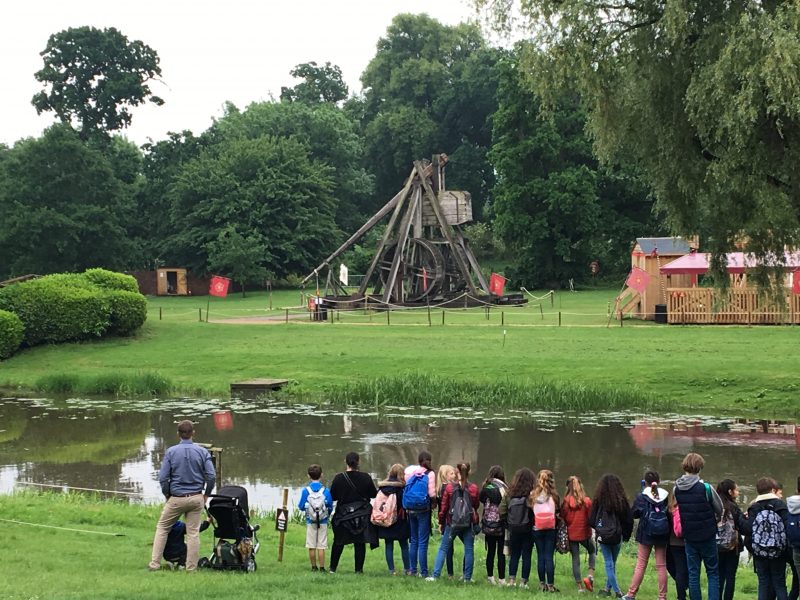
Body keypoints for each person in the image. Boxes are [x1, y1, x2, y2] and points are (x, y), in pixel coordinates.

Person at [148, 419, 216, 572]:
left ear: (178, 434)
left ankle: (155, 564)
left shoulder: (171, 452)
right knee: (193, 533)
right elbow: (211, 476)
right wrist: (207, 495)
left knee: (163, 528)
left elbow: (163, 478)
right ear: (193, 433)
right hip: (196, 497)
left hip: (176, 498)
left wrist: (167, 494)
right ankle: (191, 568)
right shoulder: (203, 452)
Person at [673, 452, 723, 600]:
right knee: (712, 572)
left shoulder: (677, 488)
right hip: (707, 535)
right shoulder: (706, 488)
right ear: (700, 468)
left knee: (693, 573)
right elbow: (719, 508)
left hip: (689, 535)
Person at [427, 461, 480, 582]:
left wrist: (441, 522)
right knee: (469, 549)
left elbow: (444, 507)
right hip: (468, 522)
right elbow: (476, 505)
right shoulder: (474, 488)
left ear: (457, 472)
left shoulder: (450, 488)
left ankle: (435, 575)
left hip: (452, 522)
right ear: (469, 472)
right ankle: (467, 578)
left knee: (443, 548)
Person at [621, 471, 670, 600]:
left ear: (645, 482)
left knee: (641, 564)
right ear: (658, 482)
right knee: (661, 565)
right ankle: (662, 597)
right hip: (662, 533)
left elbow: (635, 514)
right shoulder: (664, 495)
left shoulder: (642, 496)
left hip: (646, 533)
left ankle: (631, 594)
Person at [329, 452, 378, 574]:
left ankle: (332, 569)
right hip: (362, 514)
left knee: (338, 542)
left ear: (345, 462)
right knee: (360, 542)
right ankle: (358, 570)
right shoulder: (366, 477)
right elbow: (373, 494)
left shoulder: (339, 478)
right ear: (358, 462)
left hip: (343, 515)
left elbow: (333, 497)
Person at [589, 473, 634, 598]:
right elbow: (629, 520)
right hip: (617, 536)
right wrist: (625, 535)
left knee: (609, 563)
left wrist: (599, 529)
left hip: (603, 537)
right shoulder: (622, 501)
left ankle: (614, 590)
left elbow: (591, 520)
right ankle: (612, 590)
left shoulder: (598, 501)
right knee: (612, 563)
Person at [746, 476, 790, 600]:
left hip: (760, 551)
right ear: (772, 489)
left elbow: (749, 529)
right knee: (780, 583)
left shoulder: (754, 507)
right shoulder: (780, 505)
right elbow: (787, 527)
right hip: (778, 551)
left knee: (763, 582)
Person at [500, 467, 536, 588]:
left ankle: (511, 580)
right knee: (527, 555)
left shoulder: (509, 493)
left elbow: (501, 511)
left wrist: (508, 523)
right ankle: (523, 582)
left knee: (514, 554)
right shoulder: (532, 495)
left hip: (513, 528)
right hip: (528, 528)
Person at [404, 451, 436, 577]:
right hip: (423, 510)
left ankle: (412, 569)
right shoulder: (430, 473)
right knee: (423, 541)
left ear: (418, 461)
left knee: (413, 540)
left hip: (410, 509)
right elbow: (432, 493)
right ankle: (423, 572)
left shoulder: (412, 472)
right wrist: (434, 503)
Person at [562, 475, 596, 593]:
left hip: (572, 534)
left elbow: (563, 518)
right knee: (592, 550)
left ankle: (580, 587)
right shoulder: (587, 501)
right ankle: (590, 575)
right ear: (580, 486)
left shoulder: (566, 502)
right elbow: (591, 518)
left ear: (568, 487)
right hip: (585, 534)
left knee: (575, 559)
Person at [376, 463, 411, 575]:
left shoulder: (382, 488)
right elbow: (405, 504)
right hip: (400, 520)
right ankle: (407, 569)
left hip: (386, 519)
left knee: (388, 544)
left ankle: (391, 570)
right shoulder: (402, 488)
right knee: (404, 544)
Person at [298, 463, 334, 572]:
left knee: (311, 545)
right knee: (322, 545)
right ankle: (322, 567)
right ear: (321, 475)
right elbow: (330, 506)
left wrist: (308, 509)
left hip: (310, 521)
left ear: (308, 476)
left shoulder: (306, 491)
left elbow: (300, 506)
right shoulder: (326, 491)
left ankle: (314, 567)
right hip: (322, 521)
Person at [716, 479, 748, 600]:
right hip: (732, 546)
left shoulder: (714, 505)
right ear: (730, 491)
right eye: (736, 490)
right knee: (730, 576)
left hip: (716, 545)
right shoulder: (733, 507)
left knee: (718, 575)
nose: (738, 492)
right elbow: (742, 527)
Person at [532, 468, 560, 592]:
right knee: (548, 556)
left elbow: (530, 509)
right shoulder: (554, 495)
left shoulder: (533, 494)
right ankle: (551, 585)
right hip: (550, 528)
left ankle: (542, 584)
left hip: (537, 527)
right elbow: (558, 510)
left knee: (540, 556)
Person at [480, 465, 508, 585]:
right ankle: (502, 579)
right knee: (501, 552)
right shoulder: (505, 488)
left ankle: (490, 577)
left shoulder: (486, 487)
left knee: (490, 551)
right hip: (501, 524)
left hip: (488, 524)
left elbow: (481, 500)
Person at [434, 463, 457, 579]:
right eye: (452, 473)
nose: (454, 475)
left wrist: (439, 521)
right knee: (447, 548)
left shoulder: (438, 489)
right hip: (450, 520)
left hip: (444, 519)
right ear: (445, 475)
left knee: (448, 547)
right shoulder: (448, 489)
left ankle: (450, 573)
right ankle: (450, 573)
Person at [666, 489, 689, 600]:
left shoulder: (670, 509)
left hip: (674, 543)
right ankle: (687, 587)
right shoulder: (687, 508)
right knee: (688, 569)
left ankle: (681, 596)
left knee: (678, 570)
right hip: (687, 542)